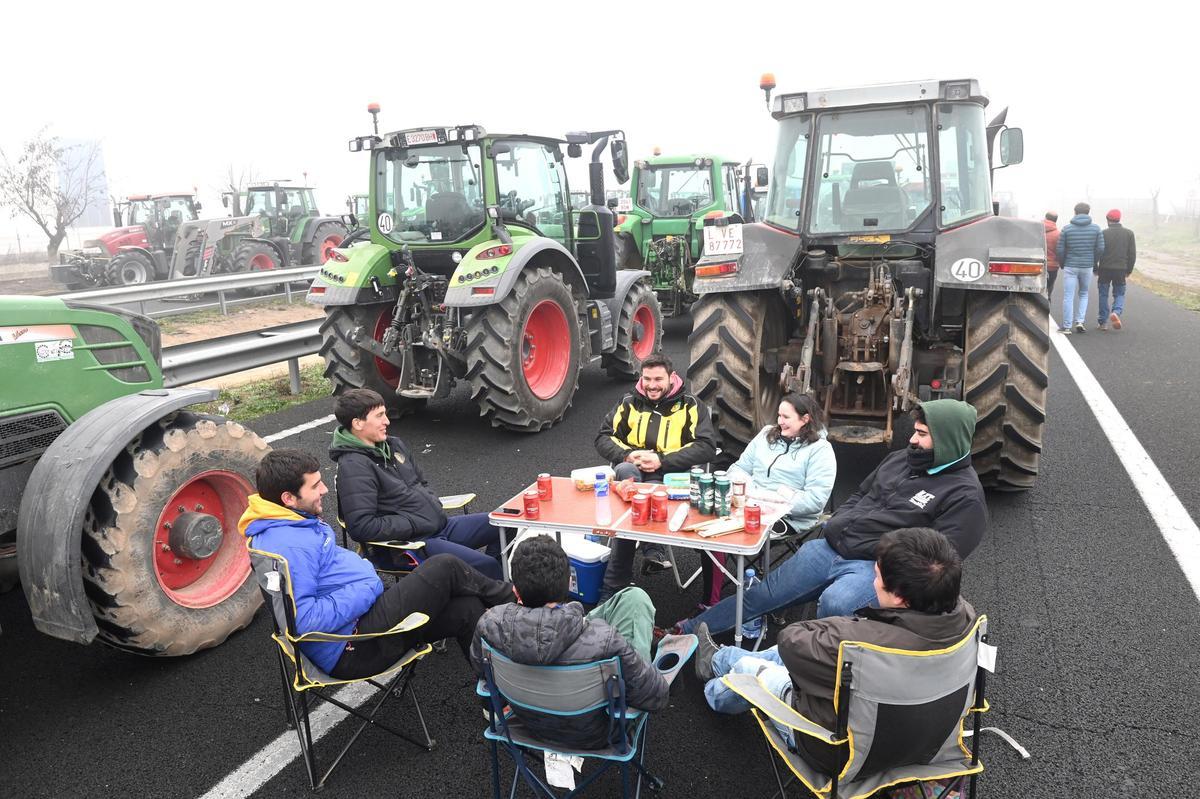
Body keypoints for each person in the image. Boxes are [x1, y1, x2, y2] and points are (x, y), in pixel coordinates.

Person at [669, 398, 986, 636]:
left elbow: (938, 563)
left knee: (834, 605)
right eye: (915, 432)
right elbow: (861, 494)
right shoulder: (900, 460)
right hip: (830, 547)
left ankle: (803, 672)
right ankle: (689, 630)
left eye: (922, 434)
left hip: (875, 569)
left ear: (949, 440)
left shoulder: (965, 497)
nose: (912, 440)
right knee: (762, 595)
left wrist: (882, 566)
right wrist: (839, 524)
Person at [692, 527, 977, 777]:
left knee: (749, 673)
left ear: (900, 597)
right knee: (788, 657)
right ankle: (720, 657)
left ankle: (715, 682)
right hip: (925, 742)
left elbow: (792, 641)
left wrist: (848, 623)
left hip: (838, 749)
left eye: (876, 577)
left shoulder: (856, 643)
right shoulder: (965, 621)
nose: (872, 582)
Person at [240, 449, 513, 679]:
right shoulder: (289, 544)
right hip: (353, 645)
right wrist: (367, 587)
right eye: (314, 486)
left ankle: (497, 697)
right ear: (288, 498)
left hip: (362, 624)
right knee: (445, 567)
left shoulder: (287, 522)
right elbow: (304, 621)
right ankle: (517, 601)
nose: (323, 490)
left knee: (466, 609)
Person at [471, 535, 671, 750]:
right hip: (599, 733)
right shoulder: (605, 642)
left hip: (526, 724)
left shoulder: (489, 625)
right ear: (569, 583)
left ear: (516, 591)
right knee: (635, 600)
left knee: (632, 597)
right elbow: (655, 697)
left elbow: (483, 672)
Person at [330, 388, 502, 579]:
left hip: (439, 527)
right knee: (488, 565)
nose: (387, 421)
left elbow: (421, 482)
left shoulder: (394, 445)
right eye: (379, 416)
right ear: (358, 423)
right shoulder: (354, 466)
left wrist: (432, 506)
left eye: (385, 414)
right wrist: (414, 522)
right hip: (411, 546)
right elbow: (361, 527)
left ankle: (488, 586)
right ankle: (499, 595)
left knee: (505, 524)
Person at [699, 393, 838, 608]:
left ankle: (731, 603)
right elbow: (739, 468)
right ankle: (712, 602)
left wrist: (774, 499)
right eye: (779, 415)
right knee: (707, 523)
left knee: (726, 532)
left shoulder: (820, 450)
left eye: (786, 417)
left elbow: (815, 501)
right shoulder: (766, 435)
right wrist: (741, 489)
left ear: (805, 419)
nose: (780, 421)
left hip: (788, 516)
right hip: (748, 504)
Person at [595, 352, 717, 592]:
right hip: (632, 477)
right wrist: (628, 455)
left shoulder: (691, 405)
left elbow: (706, 446)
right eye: (647, 379)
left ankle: (613, 585)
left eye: (658, 379)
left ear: (671, 377)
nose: (651, 385)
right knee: (628, 470)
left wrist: (661, 460)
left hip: (672, 479)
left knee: (634, 497)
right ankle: (652, 550)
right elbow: (602, 437)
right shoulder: (628, 402)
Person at [1056, 201, 1105, 334]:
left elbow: (1060, 249)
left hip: (1070, 265)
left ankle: (1066, 327)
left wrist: (1062, 263)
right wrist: (1094, 261)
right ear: (1088, 212)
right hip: (1087, 266)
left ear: (1075, 212)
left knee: (1068, 295)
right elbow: (1101, 248)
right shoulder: (1096, 229)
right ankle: (1080, 322)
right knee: (1083, 293)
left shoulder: (1067, 229)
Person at [1096, 209, 1137, 331]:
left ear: (1108, 219)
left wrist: (1095, 267)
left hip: (1104, 268)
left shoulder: (1103, 233)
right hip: (1121, 269)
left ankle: (1103, 322)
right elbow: (1132, 254)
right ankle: (1116, 312)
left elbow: (1097, 251)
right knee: (1119, 293)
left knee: (1103, 294)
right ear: (1119, 219)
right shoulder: (1129, 233)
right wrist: (1129, 270)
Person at [1043, 211, 1061, 297]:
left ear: (1045, 218)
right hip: (1052, 266)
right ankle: (1048, 298)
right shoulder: (1058, 234)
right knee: (1050, 285)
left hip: (1039, 264)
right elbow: (1059, 251)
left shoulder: (1037, 230)